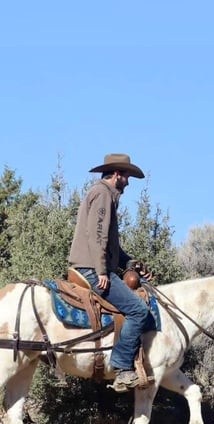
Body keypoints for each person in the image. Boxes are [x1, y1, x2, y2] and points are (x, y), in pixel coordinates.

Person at [68, 153, 154, 391]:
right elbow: (98, 237)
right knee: (138, 310)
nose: (128, 183)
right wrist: (102, 270)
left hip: (93, 266)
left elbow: (109, 244)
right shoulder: (103, 194)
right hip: (92, 269)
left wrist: (129, 262)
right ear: (117, 174)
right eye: (127, 177)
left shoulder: (102, 194)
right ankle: (122, 368)